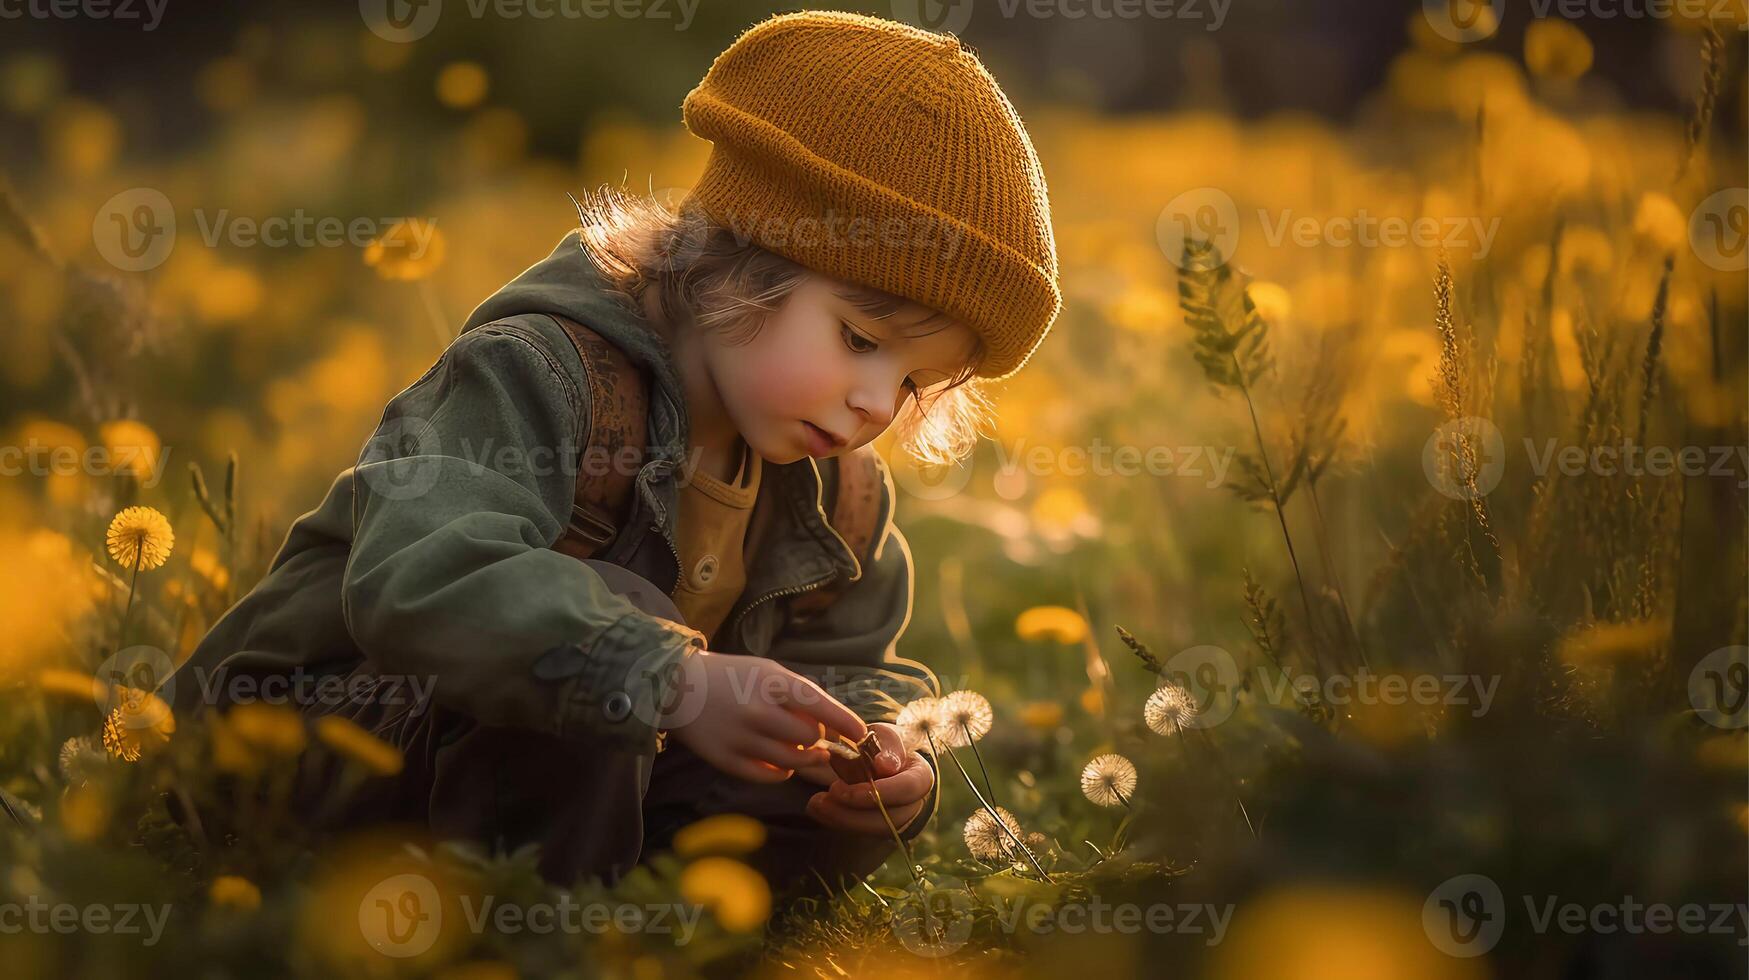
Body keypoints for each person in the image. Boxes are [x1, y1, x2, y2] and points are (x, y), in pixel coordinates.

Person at [171, 9, 1061, 900]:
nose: (875, 402)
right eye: (861, 340)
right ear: (741, 261)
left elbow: (852, 655)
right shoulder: (539, 373)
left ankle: (650, 931)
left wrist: (880, 748)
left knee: (803, 766)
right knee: (608, 634)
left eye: (913, 384)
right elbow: (418, 579)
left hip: (541, 789)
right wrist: (671, 678)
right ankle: (523, 937)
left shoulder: (834, 487)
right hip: (305, 753)